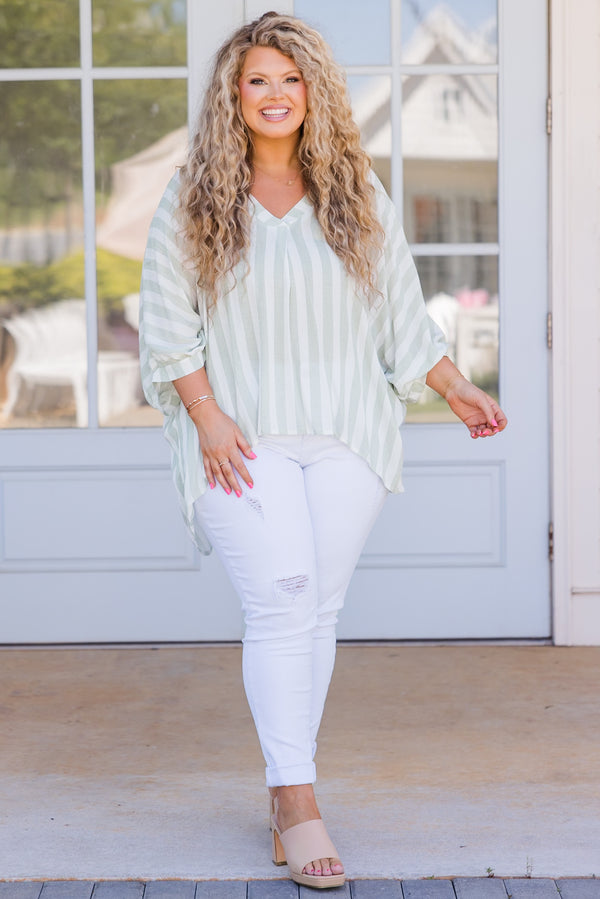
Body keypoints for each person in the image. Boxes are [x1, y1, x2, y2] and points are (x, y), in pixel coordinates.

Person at [139, 11, 507, 890]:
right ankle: (298, 799)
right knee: (281, 600)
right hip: (238, 437)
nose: (275, 95)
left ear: (314, 92)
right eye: (258, 80)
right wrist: (206, 414)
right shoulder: (194, 194)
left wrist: (454, 385)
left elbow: (402, 313)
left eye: (290, 79)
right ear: (233, 95)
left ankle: (283, 787)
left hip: (347, 432)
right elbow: (166, 319)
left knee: (317, 610)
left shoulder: (355, 191)